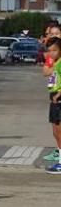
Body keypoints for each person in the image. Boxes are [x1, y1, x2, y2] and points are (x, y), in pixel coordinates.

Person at [43, 37, 61, 174]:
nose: (51, 53)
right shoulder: (53, 62)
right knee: (56, 132)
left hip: (59, 99)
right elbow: (46, 73)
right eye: (49, 51)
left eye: (54, 50)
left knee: (59, 132)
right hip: (53, 99)